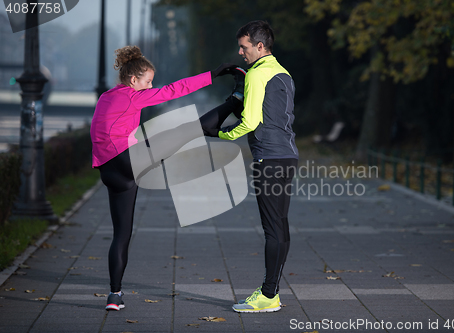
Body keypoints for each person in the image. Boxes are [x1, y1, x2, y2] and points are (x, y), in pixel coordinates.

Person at [90, 45, 236, 311]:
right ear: (133, 81)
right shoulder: (133, 96)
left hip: (110, 172)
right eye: (148, 82)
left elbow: (109, 130)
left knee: (121, 234)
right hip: (127, 162)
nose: (151, 86)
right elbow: (174, 90)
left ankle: (114, 295)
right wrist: (213, 74)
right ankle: (233, 102)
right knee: (190, 129)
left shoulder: (106, 97)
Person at [207, 20, 299, 313]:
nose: (240, 51)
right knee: (280, 227)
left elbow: (250, 121)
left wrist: (221, 134)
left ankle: (269, 296)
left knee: (273, 229)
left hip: (269, 158)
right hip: (287, 156)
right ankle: (271, 292)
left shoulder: (258, 75)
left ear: (260, 46)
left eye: (244, 46)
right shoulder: (283, 73)